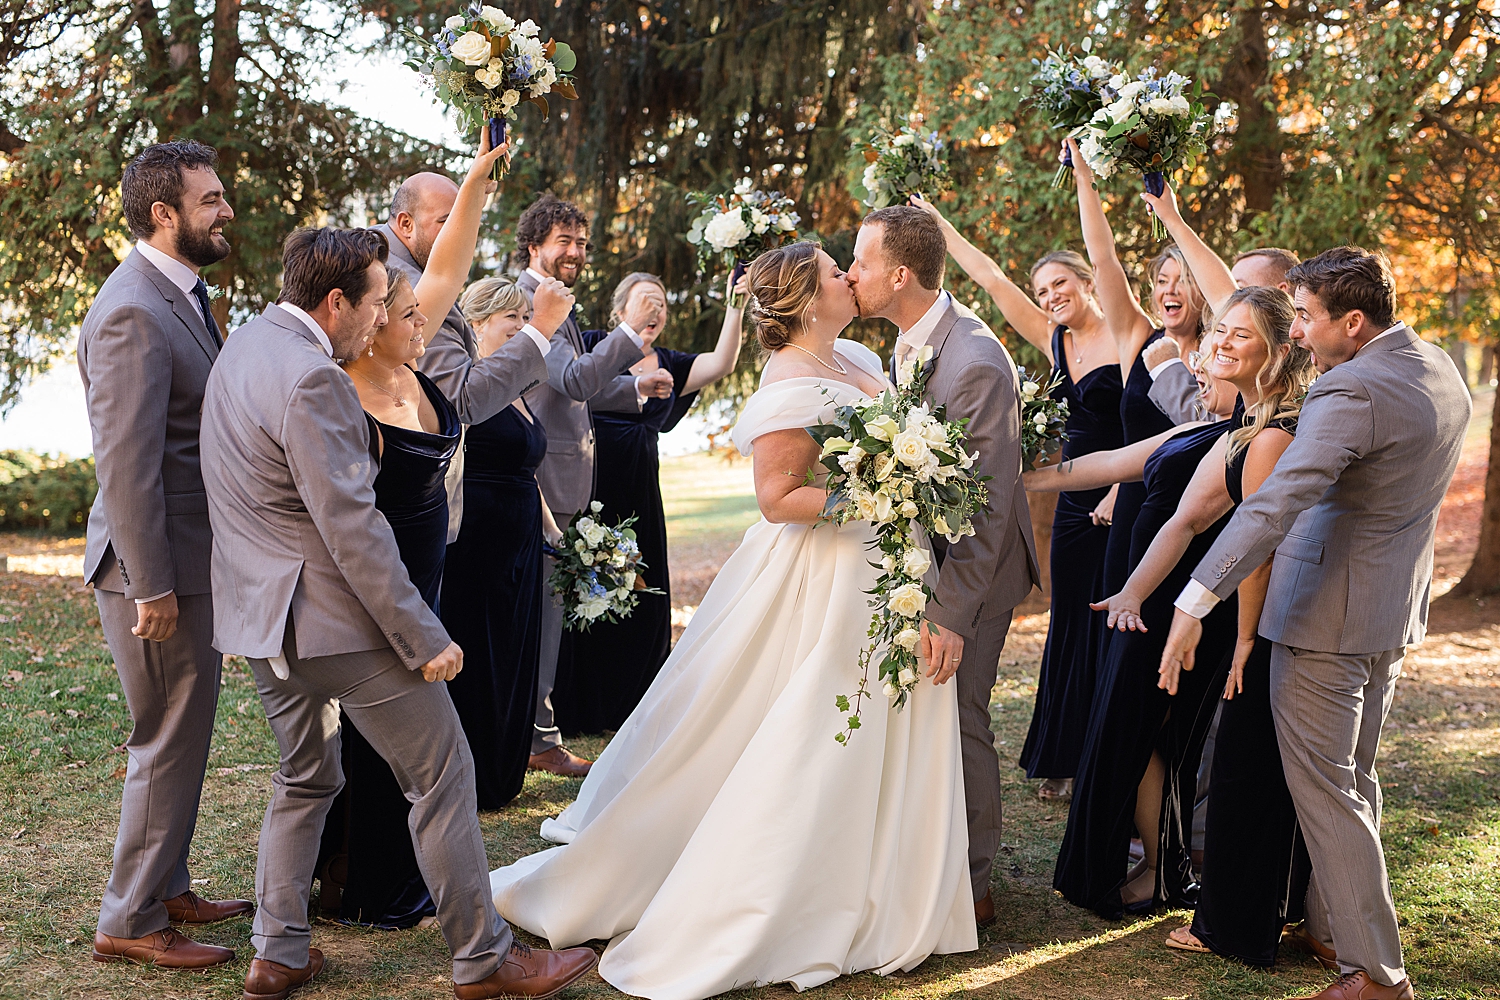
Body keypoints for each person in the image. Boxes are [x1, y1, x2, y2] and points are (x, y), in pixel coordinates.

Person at [488, 240, 976, 999]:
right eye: (834, 272)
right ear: (811, 300)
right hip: (830, 571)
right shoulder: (788, 378)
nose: (850, 276)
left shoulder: (859, 358)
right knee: (813, 725)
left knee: (887, 716)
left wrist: (910, 491)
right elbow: (780, 499)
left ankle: (892, 880)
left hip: (891, 562)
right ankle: (789, 886)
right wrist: (881, 498)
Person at [200, 226, 597, 1000]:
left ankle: (277, 952)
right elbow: (352, 528)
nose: (385, 318)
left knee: (305, 775)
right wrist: (422, 634)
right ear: (337, 301)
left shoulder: (245, 344)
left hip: (258, 620)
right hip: (332, 621)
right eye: (379, 303)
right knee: (444, 771)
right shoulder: (314, 378)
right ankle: (485, 960)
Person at [1159, 247, 1471, 1000]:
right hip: (1388, 613)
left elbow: (1273, 506)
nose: (1296, 332)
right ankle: (1335, 930)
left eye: (1304, 317)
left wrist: (1193, 600)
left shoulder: (1350, 390)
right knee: (1353, 783)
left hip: (1324, 620)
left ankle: (1376, 975)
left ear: (1353, 323)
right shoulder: (1438, 369)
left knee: (1329, 795)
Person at [1046, 287, 1312, 918]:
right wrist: (1132, 592)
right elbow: (1181, 519)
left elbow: (1258, 545)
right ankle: (1158, 868)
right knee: (1143, 737)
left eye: (1238, 335)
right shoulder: (1233, 427)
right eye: (1218, 331)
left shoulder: (1272, 435)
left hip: (1204, 612)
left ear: (1276, 352)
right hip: (1163, 604)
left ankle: (1165, 872)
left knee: (1160, 739)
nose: (1217, 342)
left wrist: (1244, 640)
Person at [313, 136, 508, 926]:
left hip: (433, 575)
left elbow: (452, 261)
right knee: (379, 744)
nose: (424, 322)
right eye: (407, 315)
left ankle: (394, 876)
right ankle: (371, 886)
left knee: (413, 744)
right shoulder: (342, 390)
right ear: (368, 324)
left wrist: (475, 185)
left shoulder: (415, 371)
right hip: (379, 591)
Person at [81, 140, 251, 970]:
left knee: (185, 735)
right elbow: (125, 465)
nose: (226, 210)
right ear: (165, 213)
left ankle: (168, 881)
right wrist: (151, 584)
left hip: (192, 559)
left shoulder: (181, 293)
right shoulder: (133, 309)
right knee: (164, 736)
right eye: (211, 199)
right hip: (156, 571)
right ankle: (131, 917)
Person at [845, 206, 1040, 925]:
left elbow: (987, 513)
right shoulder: (908, 343)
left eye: (860, 263)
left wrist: (950, 614)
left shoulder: (975, 359)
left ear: (899, 274)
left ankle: (973, 883)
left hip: (974, 577)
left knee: (961, 717)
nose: (850, 274)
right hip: (928, 562)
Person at [910, 194, 1121, 802]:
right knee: (1069, 629)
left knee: (1107, 632)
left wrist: (1117, 489)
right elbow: (992, 279)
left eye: (1061, 284)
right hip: (1074, 503)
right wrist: (936, 226)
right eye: (1044, 289)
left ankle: (1103, 764)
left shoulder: (1128, 338)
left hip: (1124, 496)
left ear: (1088, 282)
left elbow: (1149, 423)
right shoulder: (1055, 339)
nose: (1051, 296)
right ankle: (1066, 756)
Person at [514, 193, 675, 776]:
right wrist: (631, 336)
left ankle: (538, 732)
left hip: (564, 479)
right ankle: (535, 736)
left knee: (552, 618)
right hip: (540, 482)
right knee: (540, 620)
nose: (577, 251)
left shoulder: (556, 301)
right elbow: (576, 378)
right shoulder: (529, 302)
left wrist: (634, 390)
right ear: (534, 245)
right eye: (565, 241)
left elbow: (571, 388)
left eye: (582, 241)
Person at [553, 269, 747, 734]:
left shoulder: (670, 363)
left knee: (644, 597)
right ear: (621, 310)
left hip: (641, 492)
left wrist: (735, 305)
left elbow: (721, 363)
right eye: (646, 300)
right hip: (594, 490)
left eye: (661, 302)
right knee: (589, 590)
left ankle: (636, 707)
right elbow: (572, 387)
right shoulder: (598, 344)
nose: (656, 309)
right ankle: (582, 708)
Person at [443, 275, 573, 808]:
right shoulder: (466, 386)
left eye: (527, 318)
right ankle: (473, 774)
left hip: (520, 539)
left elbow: (528, 470)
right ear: (476, 325)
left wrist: (554, 530)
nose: (523, 328)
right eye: (512, 320)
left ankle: (505, 764)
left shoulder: (517, 389)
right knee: (482, 650)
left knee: (517, 649)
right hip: (477, 541)